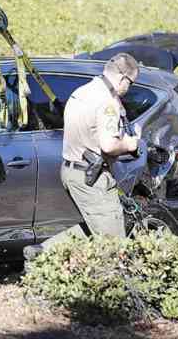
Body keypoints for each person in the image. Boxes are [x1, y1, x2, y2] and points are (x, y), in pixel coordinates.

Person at [24, 53, 141, 259]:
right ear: (123, 78)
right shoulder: (107, 102)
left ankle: (43, 253)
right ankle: (116, 288)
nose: (128, 88)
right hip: (92, 177)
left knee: (94, 225)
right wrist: (131, 143)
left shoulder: (81, 92)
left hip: (71, 170)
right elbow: (109, 144)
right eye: (131, 83)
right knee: (114, 243)